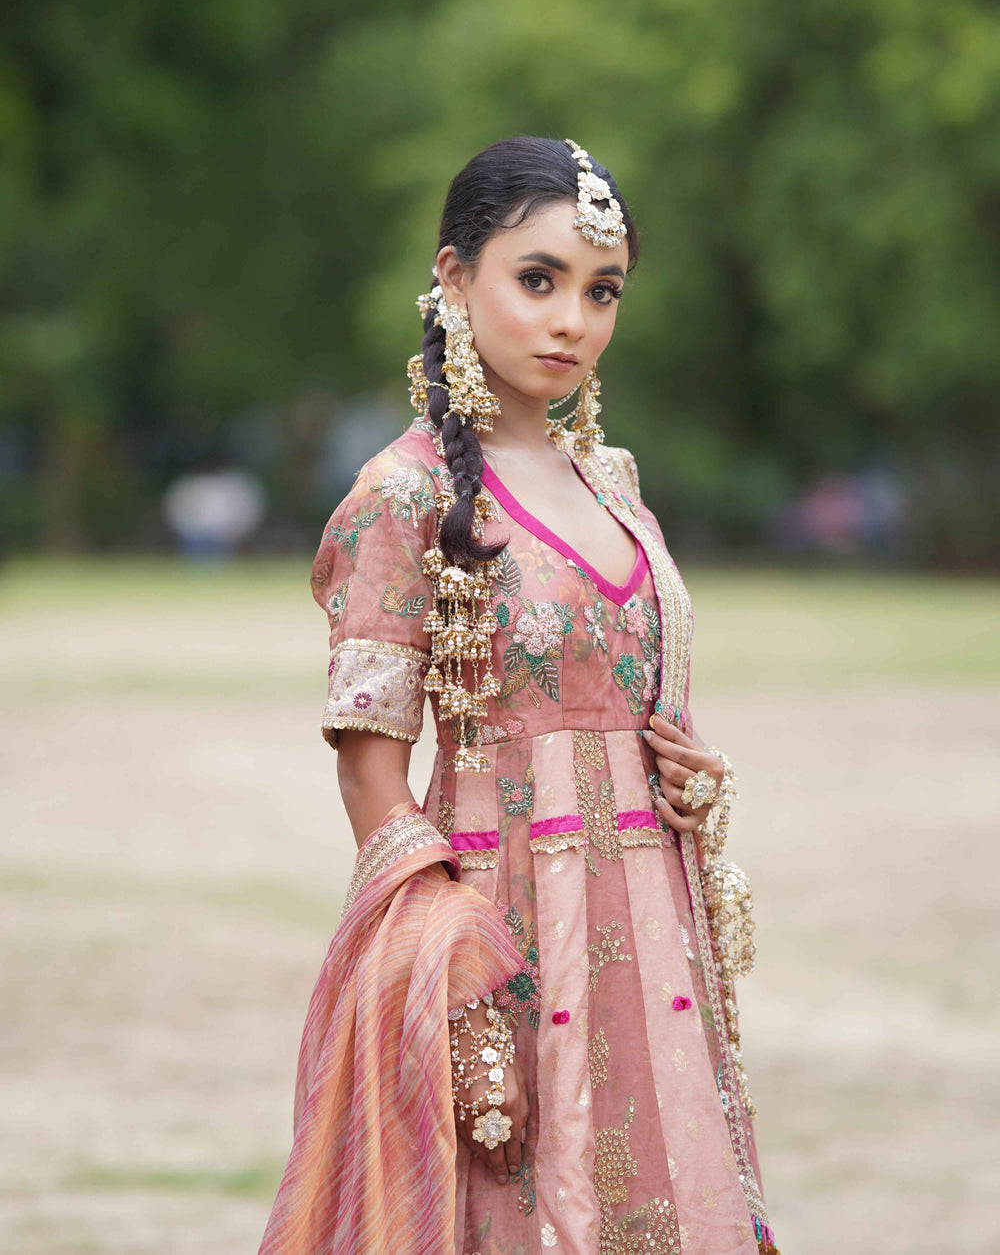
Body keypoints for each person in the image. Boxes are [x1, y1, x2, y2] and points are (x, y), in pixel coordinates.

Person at [258, 137, 778, 1255]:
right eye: (535, 279)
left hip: (649, 919)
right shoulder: (404, 495)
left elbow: (630, 698)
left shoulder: (615, 484)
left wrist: (692, 771)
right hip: (501, 921)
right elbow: (367, 764)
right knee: (512, 1203)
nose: (571, 322)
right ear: (454, 279)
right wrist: (447, 953)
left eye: (601, 293)